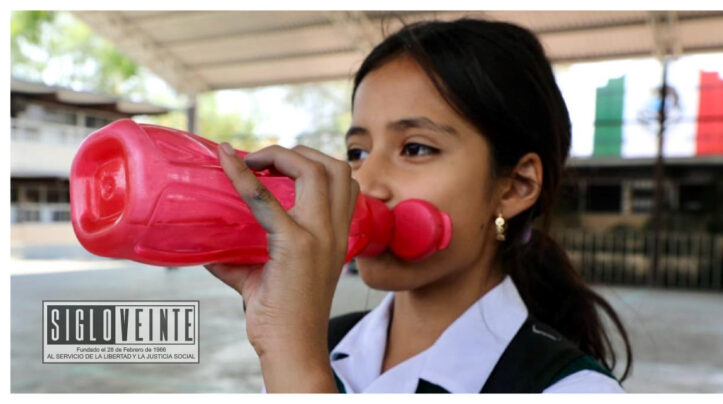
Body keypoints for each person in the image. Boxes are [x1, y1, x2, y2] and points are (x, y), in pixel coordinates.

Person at [205, 18, 632, 393]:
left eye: (415, 148)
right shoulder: (321, 342)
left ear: (515, 186)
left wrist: (300, 370)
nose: (364, 183)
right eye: (357, 151)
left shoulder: (571, 387)